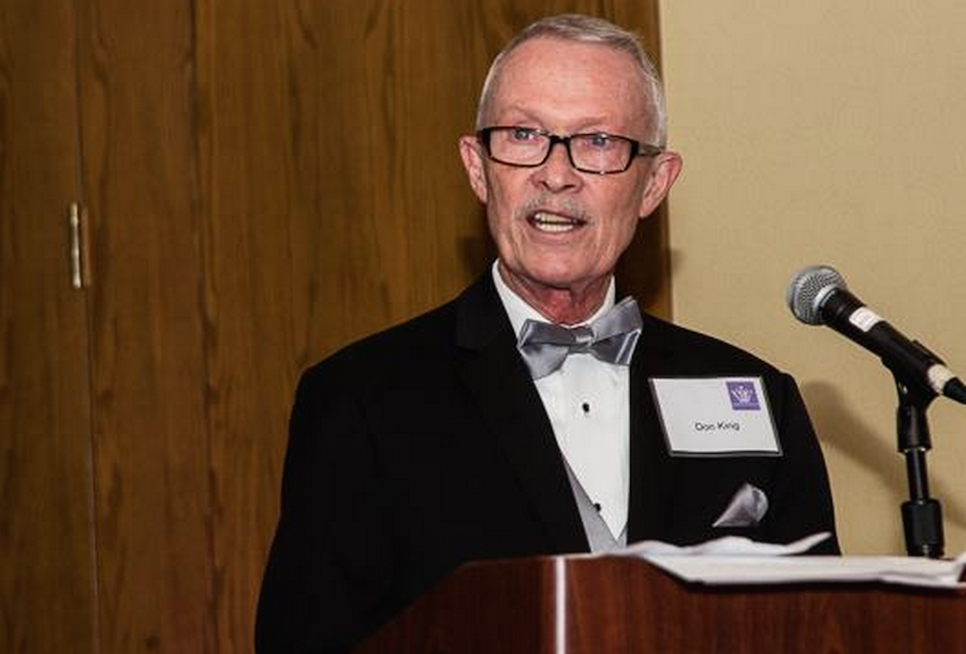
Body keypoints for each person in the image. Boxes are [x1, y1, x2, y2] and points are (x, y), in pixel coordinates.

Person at [255, 13, 838, 654]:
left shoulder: (756, 393)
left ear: (654, 183)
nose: (555, 174)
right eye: (523, 134)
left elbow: (823, 633)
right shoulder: (362, 401)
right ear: (479, 170)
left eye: (596, 142)